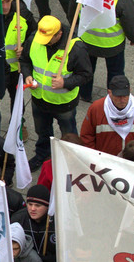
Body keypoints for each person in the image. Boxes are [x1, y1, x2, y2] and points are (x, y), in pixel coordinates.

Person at [21, 15, 92, 170]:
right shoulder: (35, 38)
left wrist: (65, 83)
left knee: (69, 136)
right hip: (39, 99)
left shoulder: (75, 48)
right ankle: (43, 154)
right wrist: (27, 75)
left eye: (48, 38)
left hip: (64, 104)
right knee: (42, 131)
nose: (43, 41)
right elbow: (25, 60)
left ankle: (69, 163)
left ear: (59, 34)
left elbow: (86, 75)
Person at [80, 0, 134, 100]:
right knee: (115, 72)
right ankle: (113, 97)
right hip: (112, 45)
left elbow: (73, 12)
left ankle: (85, 94)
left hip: (87, 40)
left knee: (86, 71)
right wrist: (133, 37)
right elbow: (130, 21)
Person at [80, 76, 134, 156]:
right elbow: (87, 136)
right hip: (104, 162)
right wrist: (93, 158)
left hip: (132, 162)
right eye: (118, 96)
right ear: (109, 92)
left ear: (130, 91)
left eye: (125, 96)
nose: (122, 100)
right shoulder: (96, 109)